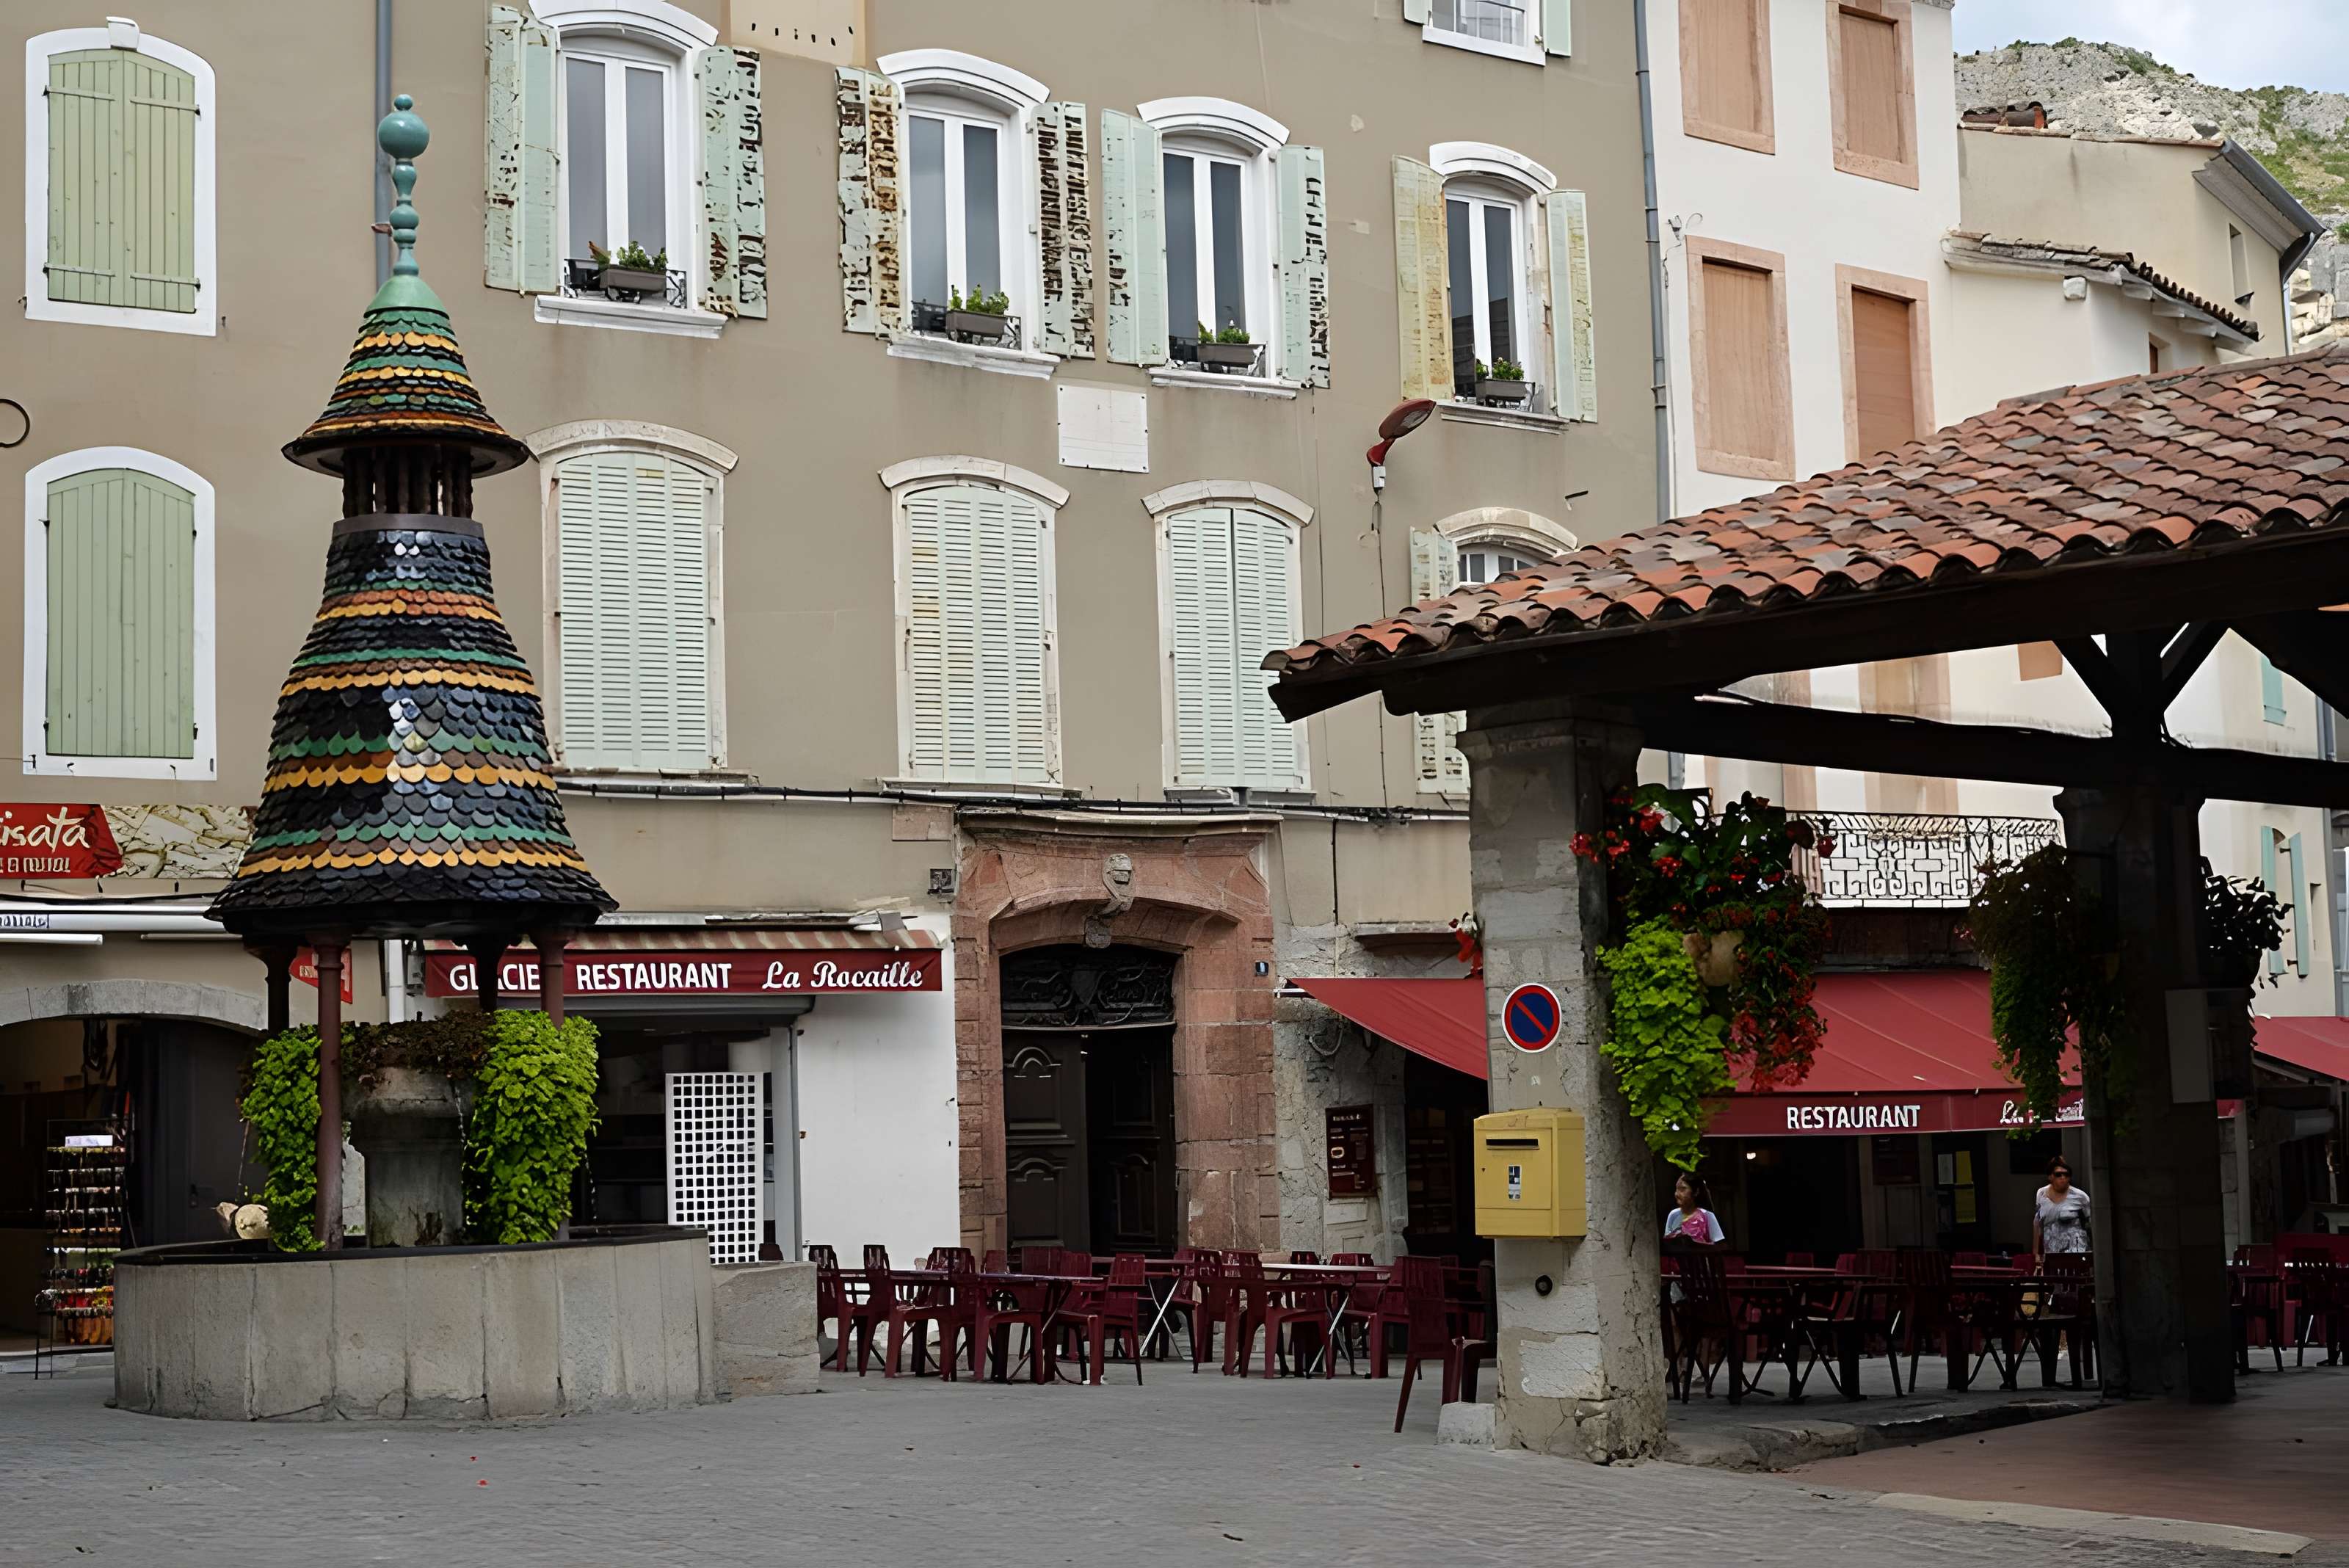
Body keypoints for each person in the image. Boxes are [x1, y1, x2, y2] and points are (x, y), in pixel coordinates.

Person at [2033, 1157, 2091, 1260]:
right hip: (2052, 1252)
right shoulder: (2041, 1194)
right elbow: (2038, 1225)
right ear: (2051, 1177)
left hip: (2076, 1252)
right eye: (2058, 1174)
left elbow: (2092, 1224)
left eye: (2066, 1174)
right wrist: (2036, 1256)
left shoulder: (2081, 1197)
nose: (2063, 1177)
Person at [1665, 1174, 1725, 1249]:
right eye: (1676, 1189)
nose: (1677, 1194)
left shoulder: (1706, 1215)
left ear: (1696, 1192)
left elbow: (1721, 1246)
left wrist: (1694, 1244)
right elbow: (1668, 1243)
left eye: (1683, 1189)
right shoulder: (1673, 1215)